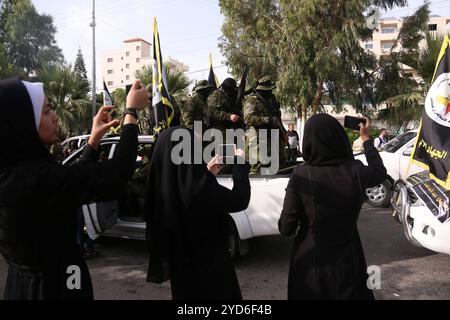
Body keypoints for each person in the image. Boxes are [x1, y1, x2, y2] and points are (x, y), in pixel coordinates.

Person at [0, 77, 149, 300]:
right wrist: (131, 113)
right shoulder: (35, 179)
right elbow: (117, 172)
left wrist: (94, 140)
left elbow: (68, 181)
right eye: (47, 111)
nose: (55, 117)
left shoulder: (15, 173)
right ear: (22, 122)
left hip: (22, 284)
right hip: (59, 284)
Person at [278, 114, 387, 300]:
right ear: (339, 139)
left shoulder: (301, 174)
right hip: (349, 261)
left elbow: (286, 228)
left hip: (311, 264)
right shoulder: (355, 170)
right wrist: (366, 138)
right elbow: (379, 172)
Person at [145, 127, 251, 300]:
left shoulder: (163, 191)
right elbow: (239, 200)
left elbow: (188, 190)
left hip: (182, 274)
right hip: (210, 276)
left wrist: (207, 174)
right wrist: (240, 164)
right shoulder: (202, 189)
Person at [243, 76, 287, 174]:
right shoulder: (252, 101)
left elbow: (277, 115)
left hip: (274, 135)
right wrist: (268, 120)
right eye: (268, 90)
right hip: (258, 138)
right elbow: (248, 119)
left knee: (281, 162)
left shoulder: (271, 99)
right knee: (259, 167)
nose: (270, 92)